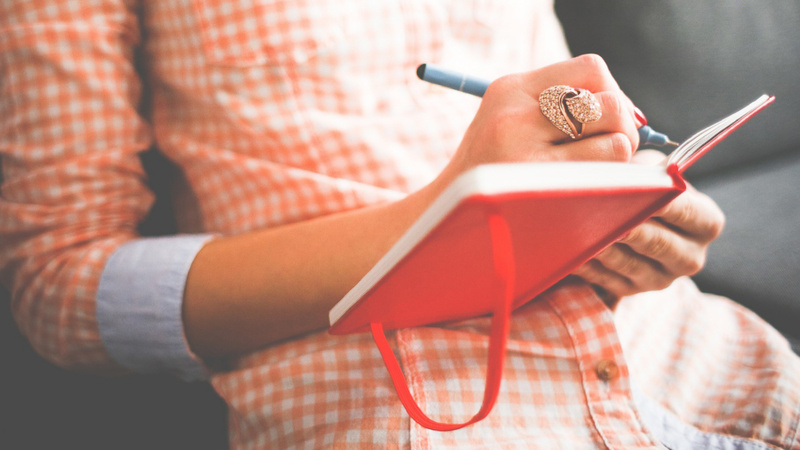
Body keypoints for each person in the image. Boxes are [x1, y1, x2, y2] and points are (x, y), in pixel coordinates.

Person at [1, 1, 797, 448]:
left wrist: (620, 199)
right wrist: (443, 219)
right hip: (414, 409)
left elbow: (564, 116)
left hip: (692, 360)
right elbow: (60, 286)